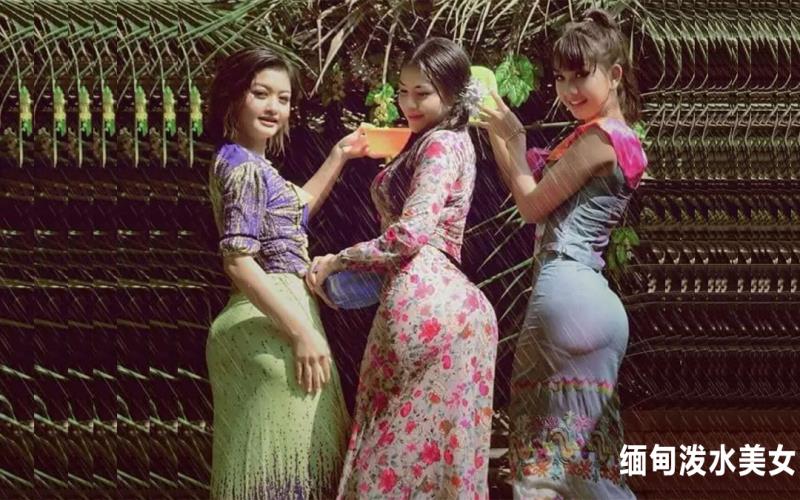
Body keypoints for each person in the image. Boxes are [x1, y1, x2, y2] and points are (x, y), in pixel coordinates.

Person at [306, 38, 499, 498]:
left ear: (452, 93)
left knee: (386, 448)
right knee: (443, 460)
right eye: (403, 91)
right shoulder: (450, 142)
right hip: (458, 311)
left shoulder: (440, 145)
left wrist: (338, 260)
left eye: (422, 93)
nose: (409, 103)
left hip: (421, 300)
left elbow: (410, 235)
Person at [478, 9, 648, 499]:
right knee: (590, 472)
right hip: (597, 308)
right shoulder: (622, 138)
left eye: (581, 76)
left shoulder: (599, 137)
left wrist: (511, 140)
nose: (569, 90)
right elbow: (533, 191)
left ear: (614, 74)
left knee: (540, 471)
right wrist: (505, 137)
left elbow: (532, 206)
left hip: (566, 292)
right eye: (560, 78)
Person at [205, 47, 363, 499]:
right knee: (293, 476)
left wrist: (339, 155)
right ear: (234, 96)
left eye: (284, 98)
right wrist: (300, 332)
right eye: (261, 94)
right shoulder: (244, 171)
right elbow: (238, 260)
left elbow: (294, 212)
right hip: (273, 324)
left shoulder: (245, 164)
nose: (274, 107)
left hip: (264, 318)